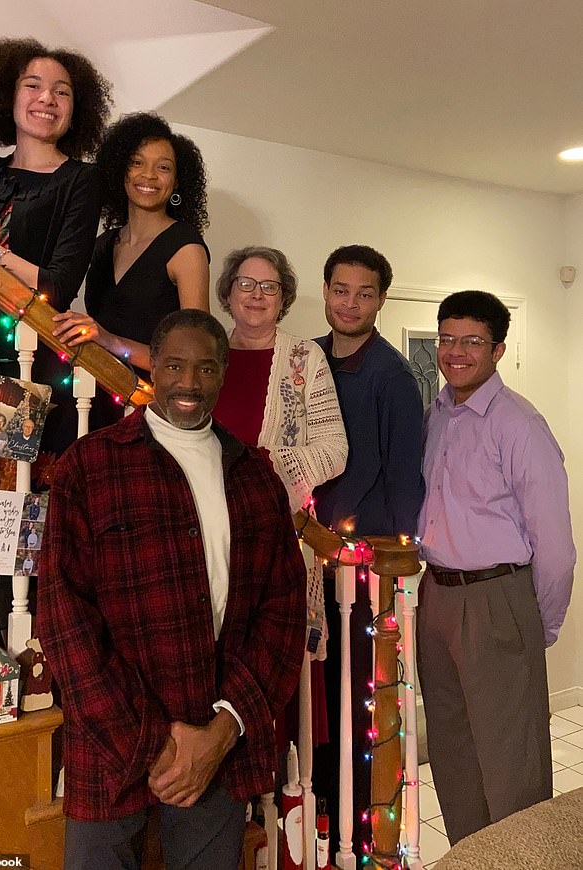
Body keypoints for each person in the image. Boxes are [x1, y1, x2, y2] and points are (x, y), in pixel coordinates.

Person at [37, 309, 307, 870]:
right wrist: (152, 741)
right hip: (110, 745)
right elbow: (64, 617)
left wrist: (223, 730)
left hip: (217, 748)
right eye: (176, 366)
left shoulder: (256, 477)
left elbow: (281, 613)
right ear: (152, 366)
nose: (189, 383)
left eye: (206, 369)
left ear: (224, 372)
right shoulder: (90, 466)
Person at [417, 290, 576, 846]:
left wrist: (536, 627)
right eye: (448, 339)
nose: (456, 352)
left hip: (497, 600)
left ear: (499, 349)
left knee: (511, 760)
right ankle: (472, 856)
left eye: (473, 342)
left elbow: (556, 547)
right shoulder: (437, 414)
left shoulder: (520, 425)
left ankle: (525, 858)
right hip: (435, 596)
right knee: (452, 750)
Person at [0, 37, 111, 633]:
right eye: (33, 85)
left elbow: (57, 278)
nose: (46, 99)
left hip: (24, 369)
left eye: (62, 91)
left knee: (12, 510)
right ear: (9, 94)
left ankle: (1, 639)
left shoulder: (81, 181)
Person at [312, 244, 425, 857]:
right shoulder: (307, 359)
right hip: (312, 560)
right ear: (325, 290)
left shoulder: (391, 377)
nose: (349, 302)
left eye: (364, 293)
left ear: (380, 299)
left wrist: (396, 563)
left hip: (364, 571)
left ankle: (364, 835)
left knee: (363, 707)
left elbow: (405, 477)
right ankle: (321, 815)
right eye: (340, 289)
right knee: (320, 697)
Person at [213, 246, 348, 746]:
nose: (256, 295)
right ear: (227, 292)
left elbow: (335, 449)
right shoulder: (209, 352)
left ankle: (284, 797)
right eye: (246, 284)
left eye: (269, 287)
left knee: (273, 662)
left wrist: (270, 470)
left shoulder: (302, 358)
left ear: (284, 298)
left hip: (281, 539)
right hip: (214, 537)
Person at [52, 112, 210, 429]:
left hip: (149, 408)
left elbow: (196, 351)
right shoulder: (101, 244)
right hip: (91, 398)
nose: (149, 175)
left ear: (177, 182)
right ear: (120, 170)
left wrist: (110, 341)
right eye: (137, 163)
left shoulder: (185, 247)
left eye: (163, 167)